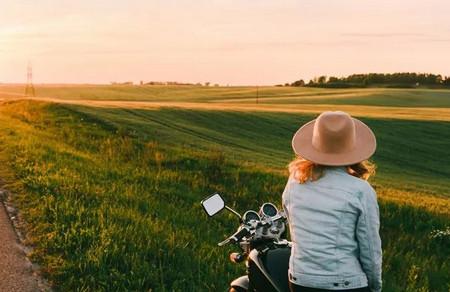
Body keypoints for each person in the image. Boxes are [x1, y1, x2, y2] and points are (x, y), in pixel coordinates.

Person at [282, 111, 382, 292]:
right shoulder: (360, 190)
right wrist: (375, 286)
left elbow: (291, 223)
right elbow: (370, 248)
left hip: (300, 280)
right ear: (352, 147)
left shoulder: (294, 181)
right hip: (345, 283)